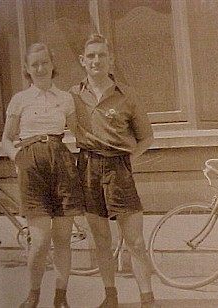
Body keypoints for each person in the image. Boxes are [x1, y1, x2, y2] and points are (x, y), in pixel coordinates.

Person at [69, 34, 155, 308]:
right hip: (88, 168)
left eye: (101, 55)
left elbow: (147, 137)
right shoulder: (71, 96)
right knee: (101, 240)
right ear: (83, 61)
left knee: (135, 241)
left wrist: (128, 159)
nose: (96, 60)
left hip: (119, 168)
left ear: (110, 59)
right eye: (91, 56)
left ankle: (147, 299)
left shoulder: (127, 94)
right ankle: (111, 297)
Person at [1, 43, 84, 308]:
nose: (40, 68)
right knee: (39, 240)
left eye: (44, 62)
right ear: (27, 69)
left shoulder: (65, 98)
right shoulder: (20, 100)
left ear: (52, 64)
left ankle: (61, 297)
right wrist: (18, 158)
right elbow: (6, 138)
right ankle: (34, 294)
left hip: (61, 163)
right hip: (32, 166)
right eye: (34, 64)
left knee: (62, 238)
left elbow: (79, 133)